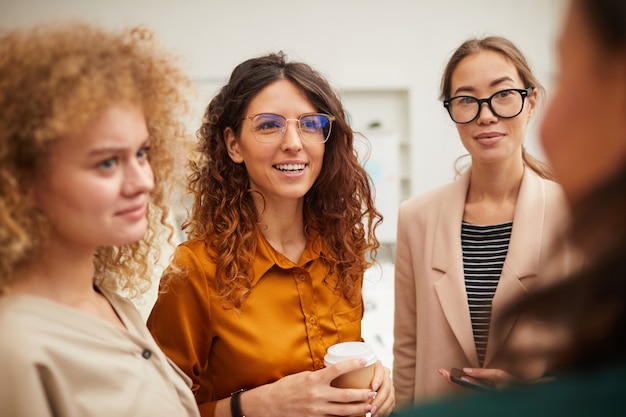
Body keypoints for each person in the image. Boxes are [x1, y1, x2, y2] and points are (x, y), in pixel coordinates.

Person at [396, 0, 626, 415]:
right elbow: (407, 353)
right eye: (466, 100)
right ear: (451, 112)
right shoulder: (417, 216)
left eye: (503, 94)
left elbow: (603, 367)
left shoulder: (581, 215)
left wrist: (527, 392)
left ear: (532, 101)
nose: (486, 115)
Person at [146, 52, 395, 417]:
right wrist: (252, 406)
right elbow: (151, 408)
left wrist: (378, 380)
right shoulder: (196, 271)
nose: (294, 142)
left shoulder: (342, 252)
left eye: (310, 124)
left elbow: (342, 363)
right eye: (268, 125)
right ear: (234, 145)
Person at [0, 21, 200, 417]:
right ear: (20, 181)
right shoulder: (16, 349)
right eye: (107, 162)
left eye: (142, 153)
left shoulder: (114, 305)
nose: (143, 180)